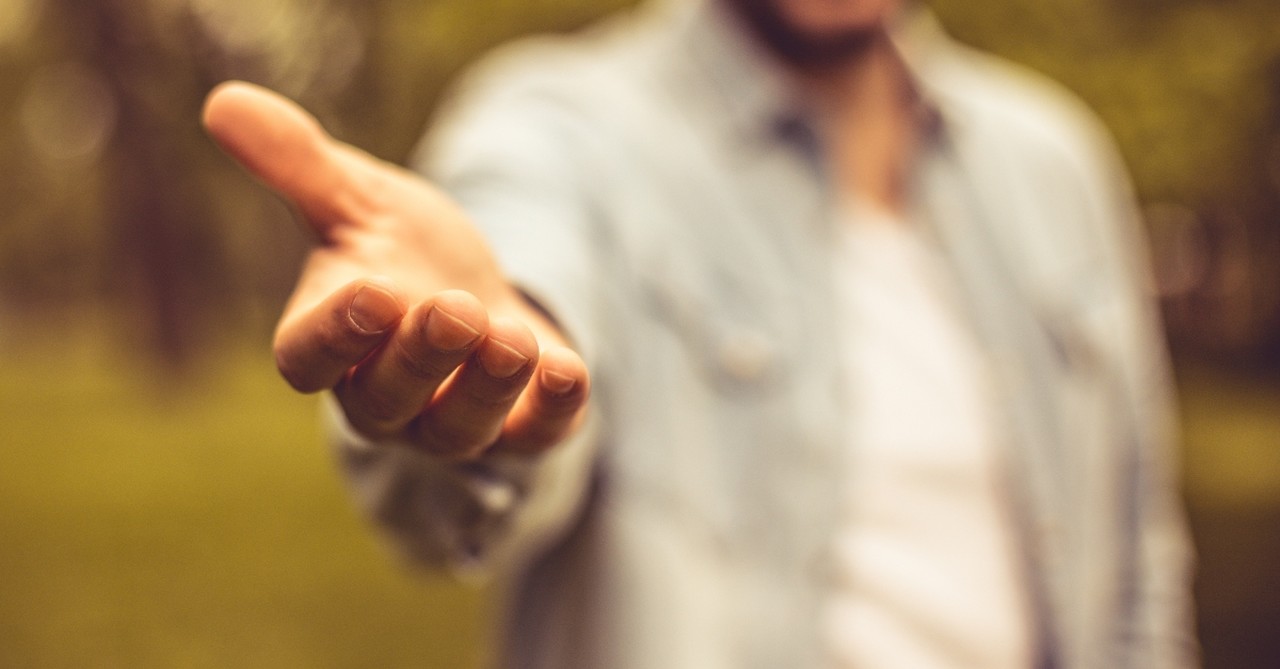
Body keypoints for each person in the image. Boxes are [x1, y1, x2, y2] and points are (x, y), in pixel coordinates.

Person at [202, 0, 1198, 666]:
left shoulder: (1052, 164)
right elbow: (517, 277)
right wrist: (491, 365)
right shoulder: (563, 123)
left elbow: (1134, 557)